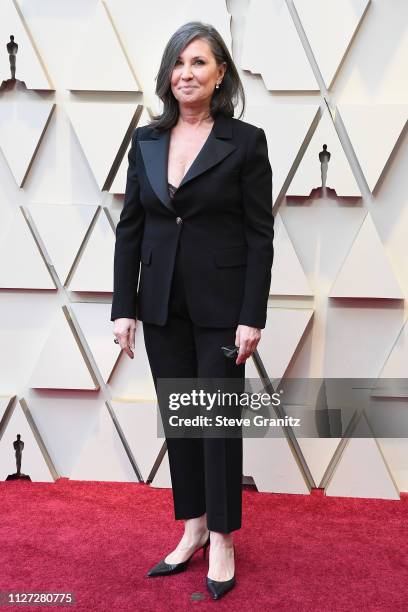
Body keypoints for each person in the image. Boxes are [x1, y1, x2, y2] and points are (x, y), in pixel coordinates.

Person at [111, 21, 274, 601]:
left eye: (199, 62)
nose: (187, 73)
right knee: (182, 421)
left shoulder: (245, 142)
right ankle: (194, 528)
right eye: (178, 64)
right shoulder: (146, 141)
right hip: (160, 307)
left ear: (220, 73)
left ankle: (224, 537)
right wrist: (122, 307)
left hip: (223, 309)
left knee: (216, 424)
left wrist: (252, 314)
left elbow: (260, 235)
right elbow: (131, 227)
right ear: (167, 75)